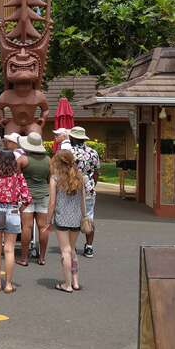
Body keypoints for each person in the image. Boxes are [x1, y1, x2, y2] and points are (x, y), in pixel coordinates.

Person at [0, 149, 31, 293]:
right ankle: (8, 284)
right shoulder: (18, 176)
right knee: (9, 250)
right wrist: (20, 209)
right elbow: (27, 198)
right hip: (13, 210)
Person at [45, 150, 87, 293]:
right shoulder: (80, 177)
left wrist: (48, 220)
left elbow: (52, 203)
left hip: (62, 217)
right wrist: (84, 216)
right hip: (76, 218)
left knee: (65, 251)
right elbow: (82, 200)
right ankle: (75, 282)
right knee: (73, 250)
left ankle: (67, 284)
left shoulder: (55, 178)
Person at [17, 133, 50, 266]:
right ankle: (42, 258)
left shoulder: (22, 160)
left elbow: (17, 179)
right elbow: (49, 179)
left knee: (27, 227)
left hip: (26, 196)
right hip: (43, 195)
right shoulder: (49, 160)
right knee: (43, 227)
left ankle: (24, 258)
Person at [69, 126, 100, 258]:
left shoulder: (68, 153)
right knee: (89, 217)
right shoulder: (93, 152)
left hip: (71, 188)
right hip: (88, 188)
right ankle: (89, 247)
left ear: (72, 138)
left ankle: (72, 246)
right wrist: (92, 185)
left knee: (72, 218)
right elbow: (97, 172)